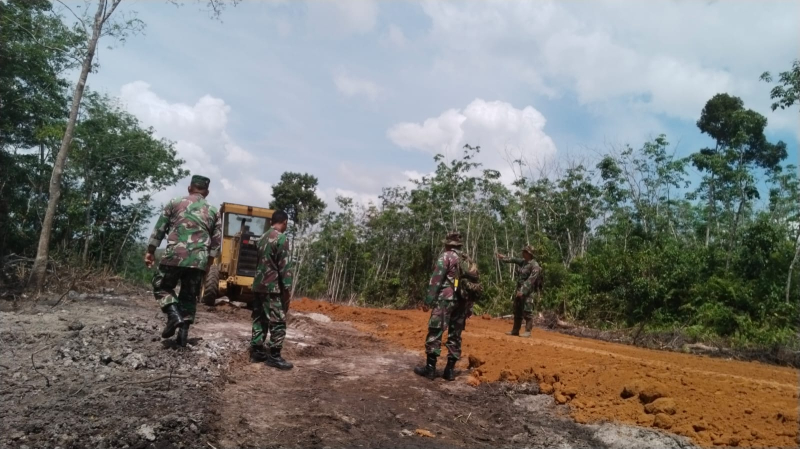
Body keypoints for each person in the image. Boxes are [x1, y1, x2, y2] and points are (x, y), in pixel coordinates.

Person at [145, 175, 221, 347]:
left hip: (174, 255)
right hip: (198, 260)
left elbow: (160, 229)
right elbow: (216, 242)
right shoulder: (214, 211)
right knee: (189, 295)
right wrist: (208, 264)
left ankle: (174, 315)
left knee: (161, 286)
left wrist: (150, 251)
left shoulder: (174, 202)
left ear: (189, 188)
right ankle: (182, 338)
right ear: (207, 192)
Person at [414, 231, 477, 381]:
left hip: (445, 299)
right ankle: (449, 371)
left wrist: (428, 300)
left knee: (435, 331)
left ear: (447, 243)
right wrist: (469, 306)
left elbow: (436, 279)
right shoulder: (467, 259)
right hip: (462, 301)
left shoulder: (446, 256)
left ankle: (430, 369)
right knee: (455, 335)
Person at [250, 210, 293, 370]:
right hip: (272, 286)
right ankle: (274, 356)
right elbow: (284, 267)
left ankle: (257, 351)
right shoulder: (281, 239)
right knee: (278, 321)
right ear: (285, 222)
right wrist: (287, 288)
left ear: (271, 221)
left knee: (259, 318)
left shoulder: (261, 238)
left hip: (258, 285)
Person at [497, 245, 541, 337]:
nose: (523, 253)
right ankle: (515, 330)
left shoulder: (534, 265)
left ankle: (528, 331)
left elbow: (531, 280)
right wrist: (503, 257)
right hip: (519, 290)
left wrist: (522, 291)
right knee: (517, 310)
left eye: (524, 252)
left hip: (527, 292)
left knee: (527, 311)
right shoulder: (523, 262)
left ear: (529, 254)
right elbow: (513, 259)